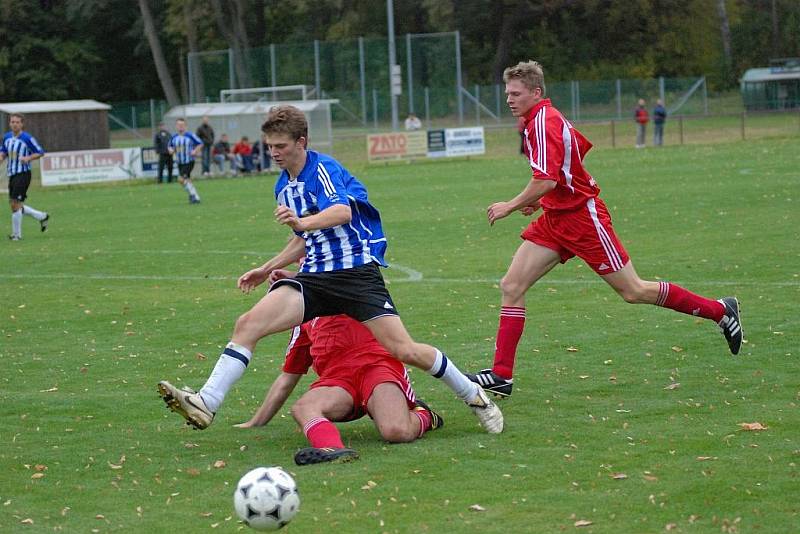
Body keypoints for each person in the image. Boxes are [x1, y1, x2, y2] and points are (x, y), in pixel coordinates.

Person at [158, 104, 502, 435]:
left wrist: (302, 221)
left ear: (301, 142)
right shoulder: (283, 186)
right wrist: (267, 268)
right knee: (247, 324)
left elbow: (341, 213)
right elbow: (303, 240)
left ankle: (473, 395)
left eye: (281, 146)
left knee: (404, 350)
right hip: (315, 279)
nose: (274, 153)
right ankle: (207, 401)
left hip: (355, 275)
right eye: (270, 146)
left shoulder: (323, 169)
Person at [465, 61, 743, 398]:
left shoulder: (542, 122)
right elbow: (569, 164)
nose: (509, 99)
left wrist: (511, 204)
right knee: (512, 284)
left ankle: (721, 311)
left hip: (583, 220)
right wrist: (540, 201)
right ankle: (501, 375)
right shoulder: (540, 120)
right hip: (556, 219)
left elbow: (547, 178)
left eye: (515, 93)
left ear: (536, 93)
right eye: (507, 93)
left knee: (634, 291)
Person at [235, 308, 444, 465]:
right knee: (302, 407)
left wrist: (280, 273)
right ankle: (333, 448)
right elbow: (288, 377)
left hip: (377, 366)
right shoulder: (303, 316)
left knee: (396, 431)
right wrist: (255, 422)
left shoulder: (353, 281)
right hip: (338, 382)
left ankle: (425, 415)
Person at [1, 113, 49, 241]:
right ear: (10, 123)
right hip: (12, 173)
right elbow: (3, 152)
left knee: (15, 204)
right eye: (12, 122)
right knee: (13, 204)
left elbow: (40, 152)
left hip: (23, 174)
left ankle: (16, 235)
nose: (14, 124)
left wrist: (28, 158)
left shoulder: (27, 138)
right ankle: (41, 216)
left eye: (17, 122)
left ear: (22, 124)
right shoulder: (6, 137)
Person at [168, 118, 203, 204]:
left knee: (180, 179)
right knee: (187, 180)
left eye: (182, 125)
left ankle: (195, 196)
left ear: (185, 126)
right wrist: (171, 150)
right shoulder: (174, 137)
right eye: (179, 125)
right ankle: (193, 196)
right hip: (180, 162)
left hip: (189, 161)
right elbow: (169, 146)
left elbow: (200, 143)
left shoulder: (190, 135)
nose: (181, 127)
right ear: (176, 126)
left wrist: (195, 151)